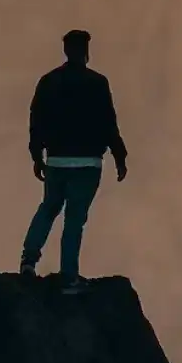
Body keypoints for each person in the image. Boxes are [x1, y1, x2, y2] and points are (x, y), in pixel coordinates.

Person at [20, 29, 127, 294]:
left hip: (56, 159)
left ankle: (29, 261)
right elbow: (108, 122)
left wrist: (36, 154)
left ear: (65, 50)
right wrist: (120, 156)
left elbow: (36, 120)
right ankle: (69, 278)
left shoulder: (49, 81)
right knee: (74, 220)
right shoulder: (97, 83)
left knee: (48, 208)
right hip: (88, 162)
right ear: (86, 52)